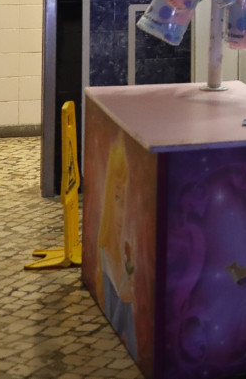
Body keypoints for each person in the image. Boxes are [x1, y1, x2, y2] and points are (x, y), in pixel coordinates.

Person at [98, 138, 138, 360]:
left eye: (125, 200)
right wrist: (124, 296)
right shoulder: (108, 253)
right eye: (116, 198)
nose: (120, 214)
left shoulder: (131, 251)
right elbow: (117, 328)